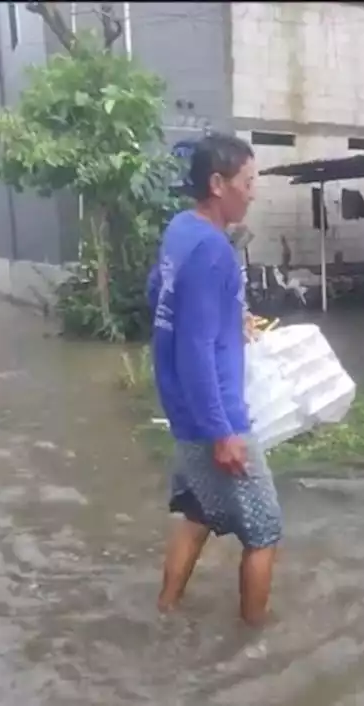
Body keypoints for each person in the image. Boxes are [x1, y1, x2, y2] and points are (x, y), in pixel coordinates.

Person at [146, 133, 279, 626]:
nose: (254, 192)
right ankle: (255, 642)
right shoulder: (214, 250)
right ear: (217, 183)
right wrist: (224, 432)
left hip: (182, 411)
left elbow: (159, 296)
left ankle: (165, 609)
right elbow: (196, 347)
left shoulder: (180, 230)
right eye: (248, 182)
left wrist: (230, 316)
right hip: (215, 415)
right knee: (265, 532)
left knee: (197, 512)